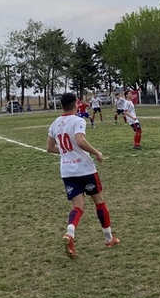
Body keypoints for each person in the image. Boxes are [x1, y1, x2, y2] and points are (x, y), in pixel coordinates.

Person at [46, 92, 120, 259]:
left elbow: (49, 148)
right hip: (85, 169)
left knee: (78, 206)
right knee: (99, 202)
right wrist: (97, 152)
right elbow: (80, 140)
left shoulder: (55, 123)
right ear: (75, 104)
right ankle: (109, 238)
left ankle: (70, 233)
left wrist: (66, 151)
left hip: (67, 171)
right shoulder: (78, 120)